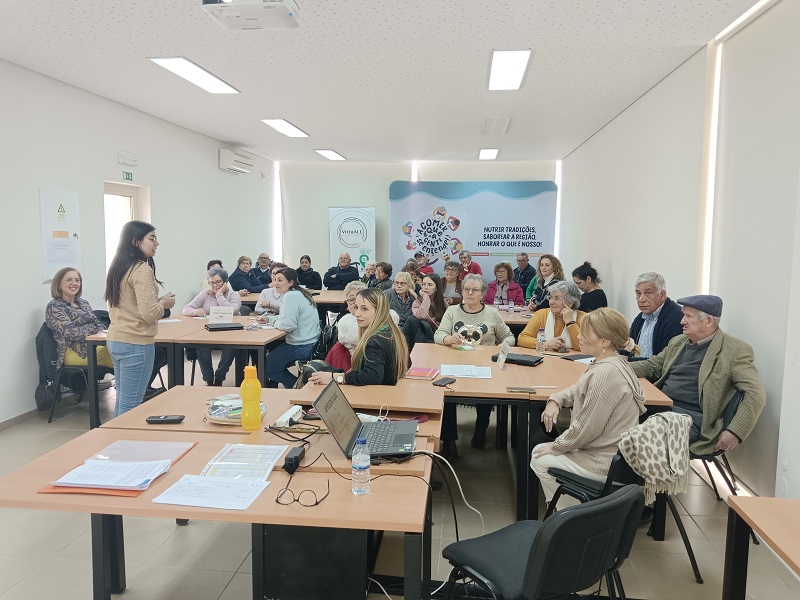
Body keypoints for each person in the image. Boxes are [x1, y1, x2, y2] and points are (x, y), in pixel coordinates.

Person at [530, 308, 646, 508]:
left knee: (539, 457)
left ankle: (568, 516)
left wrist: (557, 446)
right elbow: (578, 390)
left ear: (605, 341)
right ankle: (570, 511)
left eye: (585, 333)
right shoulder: (613, 363)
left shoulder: (605, 373)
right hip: (610, 455)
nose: (579, 337)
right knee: (543, 451)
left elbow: (586, 428)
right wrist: (555, 399)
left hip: (602, 462)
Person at [630, 295, 766, 455]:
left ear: (708, 321)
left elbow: (756, 394)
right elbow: (652, 366)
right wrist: (613, 366)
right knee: (612, 419)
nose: (682, 321)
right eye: (683, 315)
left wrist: (735, 432)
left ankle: (639, 478)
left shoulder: (735, 351)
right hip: (659, 408)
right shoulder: (678, 342)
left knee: (643, 439)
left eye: (688, 316)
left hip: (691, 419)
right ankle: (612, 476)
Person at [434, 274, 516, 457]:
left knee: (486, 391)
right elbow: (438, 335)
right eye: (466, 289)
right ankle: (449, 440)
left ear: (483, 293)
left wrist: (498, 347)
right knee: (446, 393)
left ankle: (481, 427)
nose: (470, 293)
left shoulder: (492, 313)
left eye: (475, 290)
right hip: (456, 363)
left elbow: (510, 337)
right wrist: (448, 338)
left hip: (484, 364)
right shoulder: (453, 311)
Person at [104, 221, 175, 416]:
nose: (156, 243)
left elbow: (132, 306)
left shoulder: (117, 267)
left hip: (116, 339)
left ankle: (118, 442)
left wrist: (157, 301)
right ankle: (123, 445)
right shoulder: (141, 269)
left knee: (123, 402)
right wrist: (164, 304)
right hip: (136, 342)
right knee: (131, 406)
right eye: (152, 239)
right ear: (136, 242)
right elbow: (149, 314)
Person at [309, 288, 409, 386]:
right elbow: (408, 363)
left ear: (379, 311)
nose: (357, 314)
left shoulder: (374, 341)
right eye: (356, 307)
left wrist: (335, 378)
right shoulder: (392, 332)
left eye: (364, 309)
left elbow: (372, 377)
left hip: (376, 399)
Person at [260, 268, 321, 388]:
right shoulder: (300, 293)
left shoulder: (290, 296)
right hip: (311, 342)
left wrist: (273, 323)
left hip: (302, 345)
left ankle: (299, 387)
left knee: (266, 367)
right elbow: (286, 317)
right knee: (272, 361)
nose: (276, 283)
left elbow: (288, 325)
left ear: (291, 282)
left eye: (280, 280)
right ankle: (296, 386)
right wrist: (269, 319)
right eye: (275, 280)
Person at [182, 267, 242, 386]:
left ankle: (219, 377)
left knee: (230, 349)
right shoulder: (205, 294)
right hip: (208, 332)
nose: (214, 286)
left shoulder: (233, 295)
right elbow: (185, 309)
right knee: (201, 347)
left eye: (218, 282)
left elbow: (233, 310)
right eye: (211, 283)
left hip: (229, 333)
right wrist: (195, 311)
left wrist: (219, 295)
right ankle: (209, 379)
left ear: (225, 282)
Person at [45, 267, 112, 370]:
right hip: (75, 352)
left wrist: (95, 330)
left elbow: (99, 325)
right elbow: (73, 334)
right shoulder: (55, 307)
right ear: (59, 284)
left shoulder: (83, 303)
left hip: (94, 347)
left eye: (77, 280)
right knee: (120, 355)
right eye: (69, 280)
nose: (74, 283)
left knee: (124, 349)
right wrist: (94, 330)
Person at [627, 272, 683, 359]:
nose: (641, 299)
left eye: (648, 293)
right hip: (637, 369)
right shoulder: (640, 318)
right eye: (638, 293)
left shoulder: (676, 317)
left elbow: (665, 360)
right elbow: (627, 346)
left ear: (662, 295)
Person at [519, 281, 585, 351]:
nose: (551, 302)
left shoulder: (583, 317)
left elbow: (582, 346)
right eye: (550, 297)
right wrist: (545, 344)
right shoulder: (541, 314)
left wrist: (570, 322)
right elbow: (522, 339)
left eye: (557, 298)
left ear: (570, 302)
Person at [404, 274, 447, 345]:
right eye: (423, 284)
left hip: (439, 335)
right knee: (413, 320)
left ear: (436, 288)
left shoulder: (443, 303)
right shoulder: (417, 302)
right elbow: (421, 315)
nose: (426, 287)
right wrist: (426, 297)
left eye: (430, 285)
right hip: (422, 336)